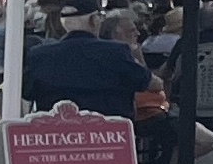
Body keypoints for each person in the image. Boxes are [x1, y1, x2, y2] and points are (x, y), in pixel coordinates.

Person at [23, 13, 153, 116]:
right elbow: (144, 82)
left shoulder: (39, 54)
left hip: (54, 138)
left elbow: (27, 92)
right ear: (93, 20)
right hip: (110, 138)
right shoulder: (117, 51)